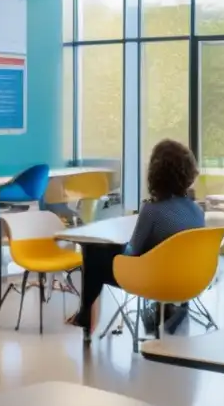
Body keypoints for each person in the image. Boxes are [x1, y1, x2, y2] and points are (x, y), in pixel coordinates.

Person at [70, 139, 205, 338]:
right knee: (99, 251)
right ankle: (85, 314)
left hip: (154, 279)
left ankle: (85, 315)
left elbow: (132, 252)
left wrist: (116, 248)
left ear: (155, 173)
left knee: (93, 251)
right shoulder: (196, 210)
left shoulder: (152, 210)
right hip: (191, 278)